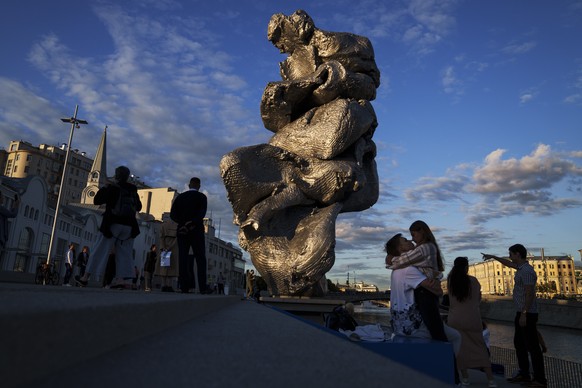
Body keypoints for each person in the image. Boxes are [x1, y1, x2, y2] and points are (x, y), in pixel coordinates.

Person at [386, 233, 461, 386]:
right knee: (454, 338)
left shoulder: (396, 271)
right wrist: (437, 280)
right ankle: (450, 374)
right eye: (406, 241)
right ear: (401, 248)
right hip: (416, 325)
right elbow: (436, 290)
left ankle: (449, 372)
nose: (410, 241)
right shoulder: (409, 270)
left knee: (452, 336)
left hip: (400, 324)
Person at [482, 245, 547, 387]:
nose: (509, 256)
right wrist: (493, 256)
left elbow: (530, 293)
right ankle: (524, 374)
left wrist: (524, 313)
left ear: (518, 254)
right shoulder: (521, 268)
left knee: (533, 347)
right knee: (519, 343)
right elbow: (508, 263)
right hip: (522, 313)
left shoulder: (527, 271)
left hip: (527, 313)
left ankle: (540, 380)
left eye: (510, 254)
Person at [76, 166, 142, 289]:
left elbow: (97, 200)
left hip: (113, 224)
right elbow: (139, 207)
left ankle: (85, 277)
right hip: (129, 227)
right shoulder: (133, 190)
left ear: (116, 175)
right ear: (127, 176)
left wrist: (106, 186)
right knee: (124, 253)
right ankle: (121, 279)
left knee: (99, 249)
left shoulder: (113, 187)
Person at [447, 257, 496, 387]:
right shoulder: (473, 281)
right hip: (472, 318)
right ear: (466, 267)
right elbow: (478, 299)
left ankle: (465, 379)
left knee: (460, 349)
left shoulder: (451, 281)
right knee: (480, 347)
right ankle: (490, 380)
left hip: (454, 319)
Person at [170, 177, 209, 294]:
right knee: (200, 258)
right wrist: (191, 223)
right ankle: (202, 287)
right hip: (196, 230)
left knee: (183, 257)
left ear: (189, 185)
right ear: (199, 186)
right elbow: (202, 213)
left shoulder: (180, 197)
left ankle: (184, 287)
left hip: (182, 230)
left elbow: (173, 214)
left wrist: (182, 223)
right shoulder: (202, 197)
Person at [156, 214, 179, 292]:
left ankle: (164, 284)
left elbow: (161, 237)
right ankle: (169, 285)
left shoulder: (163, 225)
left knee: (164, 267)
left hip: (165, 248)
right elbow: (177, 239)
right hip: (173, 249)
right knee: (171, 268)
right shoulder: (177, 225)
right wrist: (170, 247)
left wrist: (163, 247)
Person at [0, 192, 19, 258]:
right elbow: (12, 214)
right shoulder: (1, 208)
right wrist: (16, 205)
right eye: (2, 196)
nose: (3, 198)